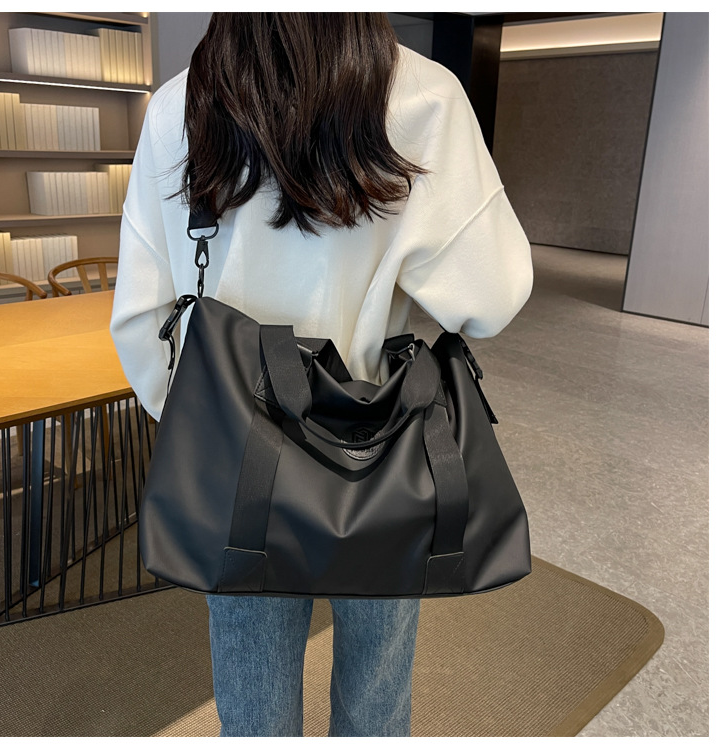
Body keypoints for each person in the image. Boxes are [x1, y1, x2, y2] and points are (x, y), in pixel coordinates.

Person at [110, 12, 533, 738]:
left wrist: (201, 426)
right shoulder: (423, 95)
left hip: (235, 461)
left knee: (252, 708)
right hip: (385, 456)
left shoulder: (181, 105)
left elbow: (142, 323)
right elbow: (491, 298)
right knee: (377, 698)